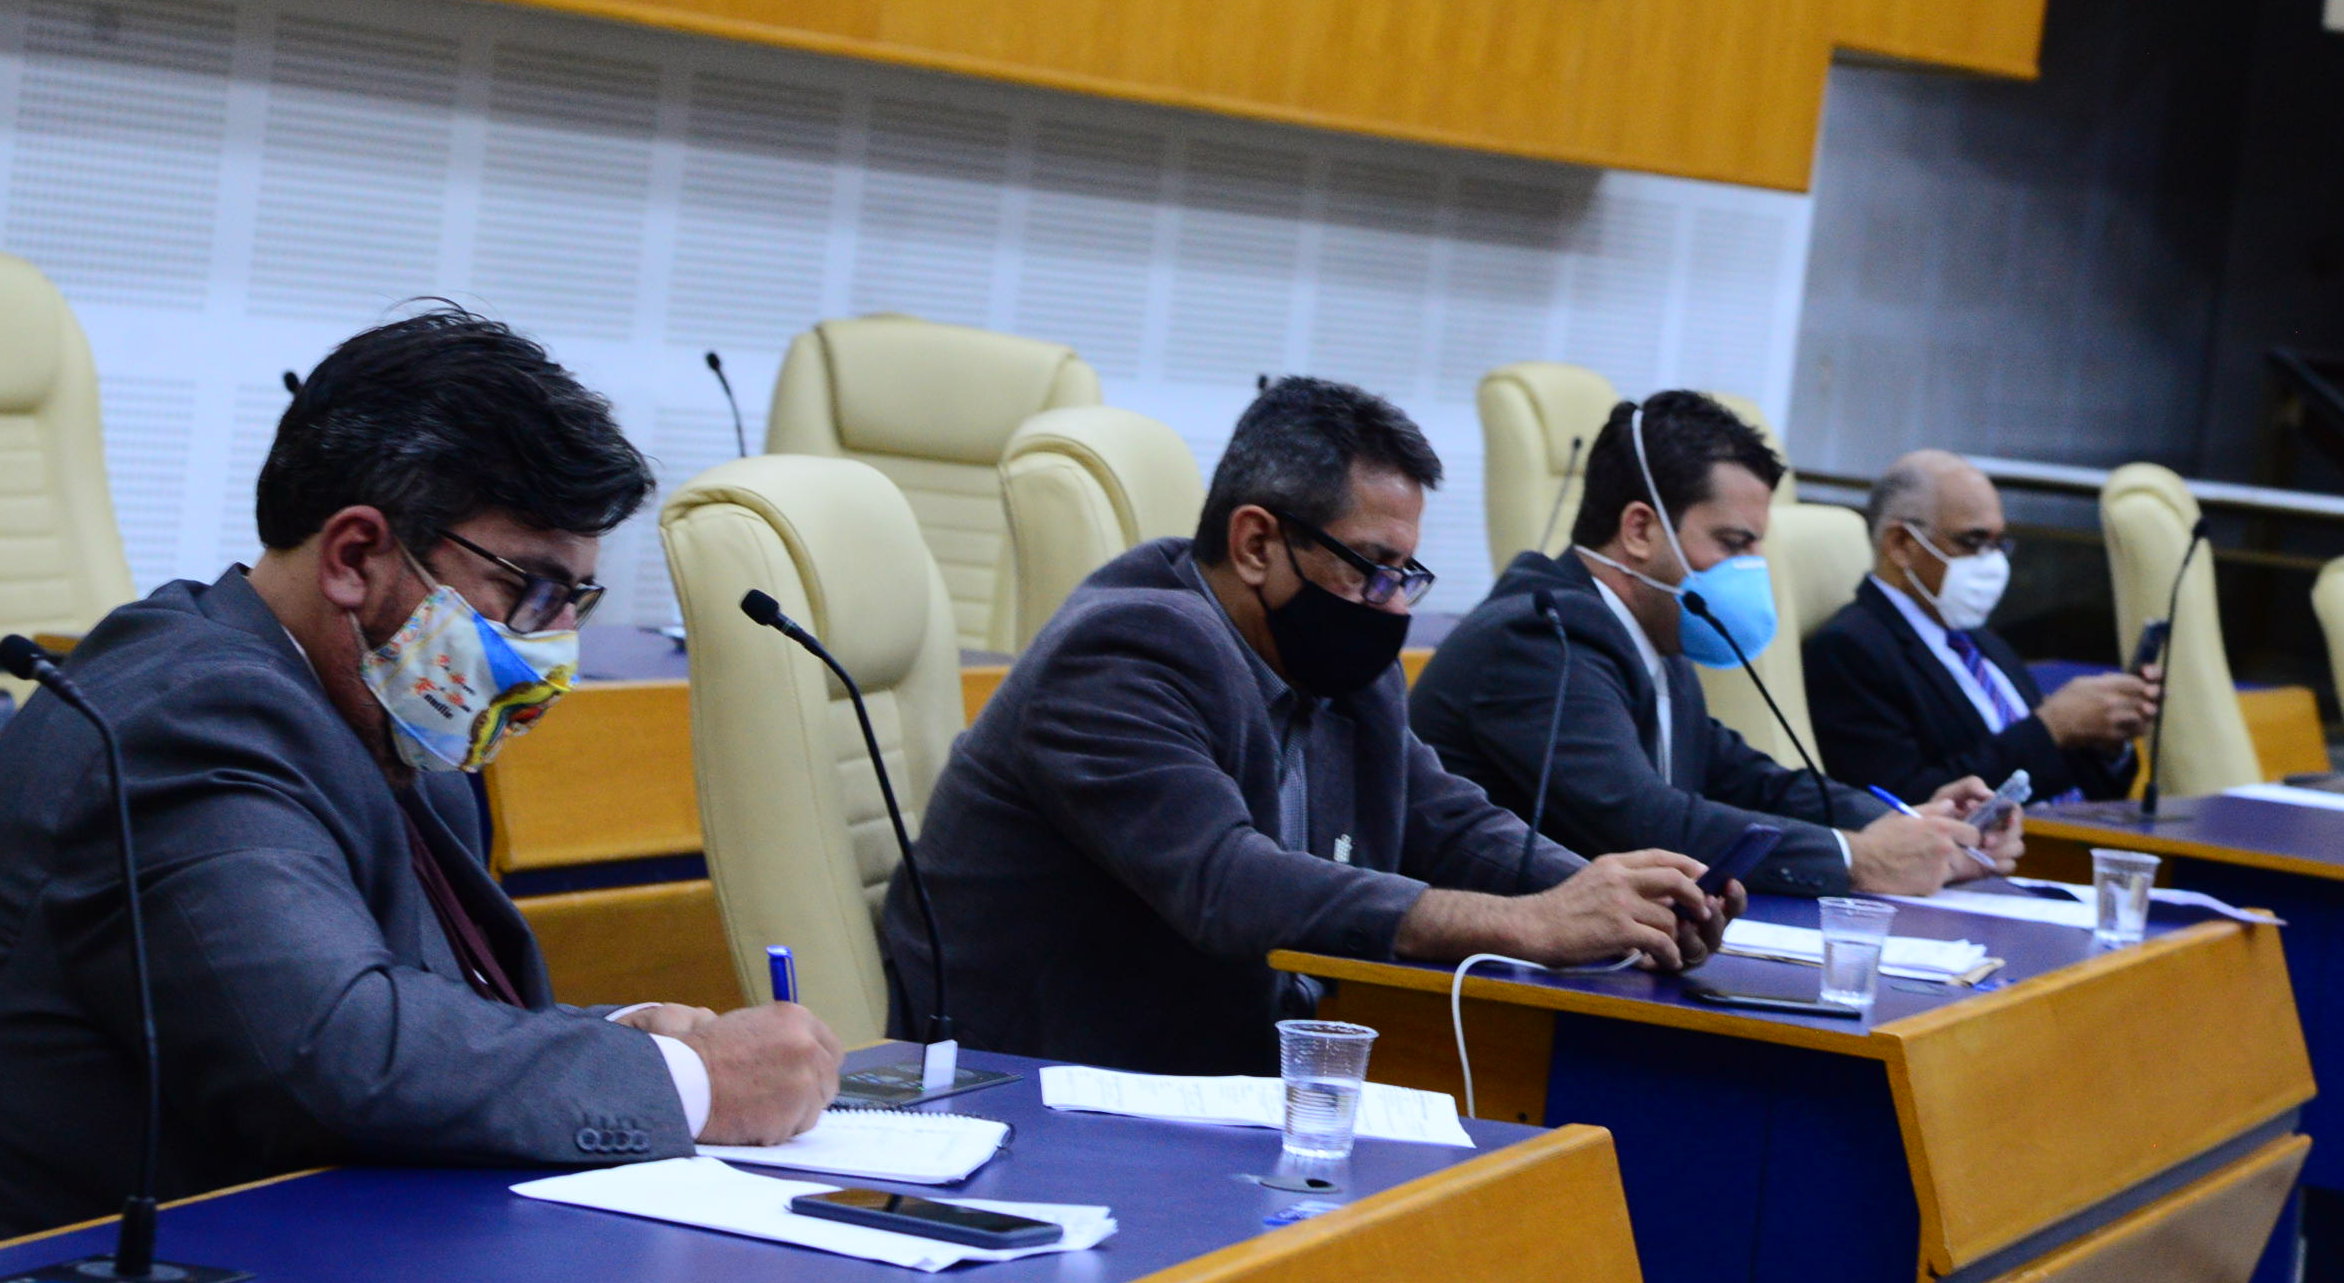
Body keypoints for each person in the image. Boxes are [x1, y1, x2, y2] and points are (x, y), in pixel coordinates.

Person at [0, 311, 836, 1252]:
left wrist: (634, 1038)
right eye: (529, 591)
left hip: (298, 1245)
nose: (556, 650)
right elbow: (336, 1053)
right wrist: (691, 1083)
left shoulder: (386, 729)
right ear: (353, 557)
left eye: (575, 603)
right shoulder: (190, 718)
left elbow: (422, 1026)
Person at [885, 376, 1731, 1076]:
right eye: (1372, 566)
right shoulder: (1123, 652)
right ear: (1257, 544)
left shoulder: (1336, 664)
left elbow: (1447, 823)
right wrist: (1528, 925)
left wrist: (1616, 901)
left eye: (1405, 573)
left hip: (1229, 1077)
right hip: (1031, 1089)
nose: (1392, 605)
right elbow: (1228, 881)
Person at [1411, 394, 2015, 898]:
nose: (1753, 567)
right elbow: (1641, 820)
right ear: (1640, 530)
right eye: (1732, 543)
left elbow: (1748, 780)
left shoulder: (1649, 636)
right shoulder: (1540, 637)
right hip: (1477, 972)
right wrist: (1859, 858)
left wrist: (1907, 822)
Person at [1803, 450, 2155, 805]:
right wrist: (2052, 727)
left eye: (1998, 543)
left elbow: (2067, 778)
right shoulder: (1849, 650)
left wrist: (2104, 738)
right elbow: (1900, 802)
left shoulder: (1979, 638)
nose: (1993, 562)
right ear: (1901, 545)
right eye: (1973, 541)